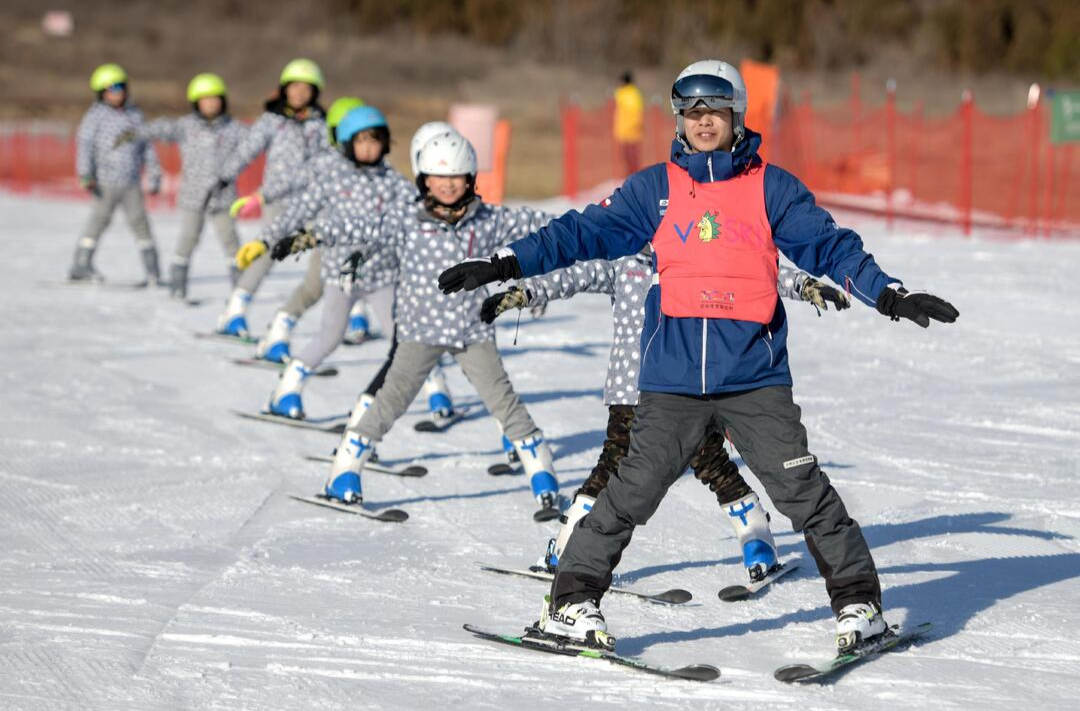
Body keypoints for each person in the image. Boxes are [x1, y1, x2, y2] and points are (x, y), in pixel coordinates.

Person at [440, 59, 959, 653]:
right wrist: (508, 262)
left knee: (800, 491)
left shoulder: (772, 188)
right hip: (673, 379)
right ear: (678, 117)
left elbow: (828, 247)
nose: (702, 120)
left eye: (714, 109)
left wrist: (889, 295)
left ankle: (859, 605)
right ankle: (570, 603)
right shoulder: (654, 189)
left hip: (755, 377)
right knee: (631, 490)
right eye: (691, 110)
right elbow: (578, 234)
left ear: (735, 114)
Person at [482, 255, 850, 582]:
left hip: (684, 390)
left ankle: (756, 539)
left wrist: (804, 284)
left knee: (709, 462)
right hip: (631, 392)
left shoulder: (698, 262)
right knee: (613, 465)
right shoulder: (620, 264)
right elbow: (571, 275)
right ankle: (568, 547)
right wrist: (524, 292)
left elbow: (756, 271)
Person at [313, 132, 563, 520]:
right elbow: (360, 229)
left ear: (470, 179)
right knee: (392, 400)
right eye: (436, 177)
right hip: (420, 332)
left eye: (456, 177)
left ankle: (541, 472)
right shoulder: (405, 219)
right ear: (423, 180)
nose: (446, 185)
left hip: (472, 330)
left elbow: (548, 228)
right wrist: (313, 234)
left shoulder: (491, 219)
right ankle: (343, 471)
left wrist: (602, 229)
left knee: (502, 399)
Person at [213, 58, 329, 337]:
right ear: (284, 89)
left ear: (315, 92)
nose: (300, 93)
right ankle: (235, 311)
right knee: (267, 253)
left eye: (306, 88)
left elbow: (330, 160)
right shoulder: (272, 121)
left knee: (330, 255)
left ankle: (354, 314)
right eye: (294, 87)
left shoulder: (321, 125)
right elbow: (247, 149)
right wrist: (225, 175)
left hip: (313, 203)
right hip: (277, 200)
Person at [123, 73, 248, 299]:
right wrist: (135, 133)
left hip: (223, 196)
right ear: (196, 102)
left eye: (215, 99)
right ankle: (177, 282)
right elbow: (162, 128)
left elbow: (256, 141)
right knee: (188, 238)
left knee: (231, 240)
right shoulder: (186, 126)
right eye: (205, 99)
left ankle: (240, 287)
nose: (211, 104)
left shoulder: (234, 129)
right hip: (193, 196)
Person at [70, 63, 162, 284]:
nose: (117, 93)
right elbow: (85, 145)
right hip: (105, 183)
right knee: (98, 222)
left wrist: (154, 172)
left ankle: (152, 271)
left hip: (131, 182)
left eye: (120, 87)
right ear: (101, 92)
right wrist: (85, 174)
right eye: (111, 89)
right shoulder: (95, 116)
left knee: (140, 223)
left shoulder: (134, 114)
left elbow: (146, 145)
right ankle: (81, 264)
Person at [613, 71, 645, 177]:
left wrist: (633, 126)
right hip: (626, 130)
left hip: (630, 131)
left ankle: (633, 177)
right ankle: (630, 177)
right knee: (627, 158)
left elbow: (635, 113)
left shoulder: (630, 95)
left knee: (631, 158)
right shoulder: (627, 93)